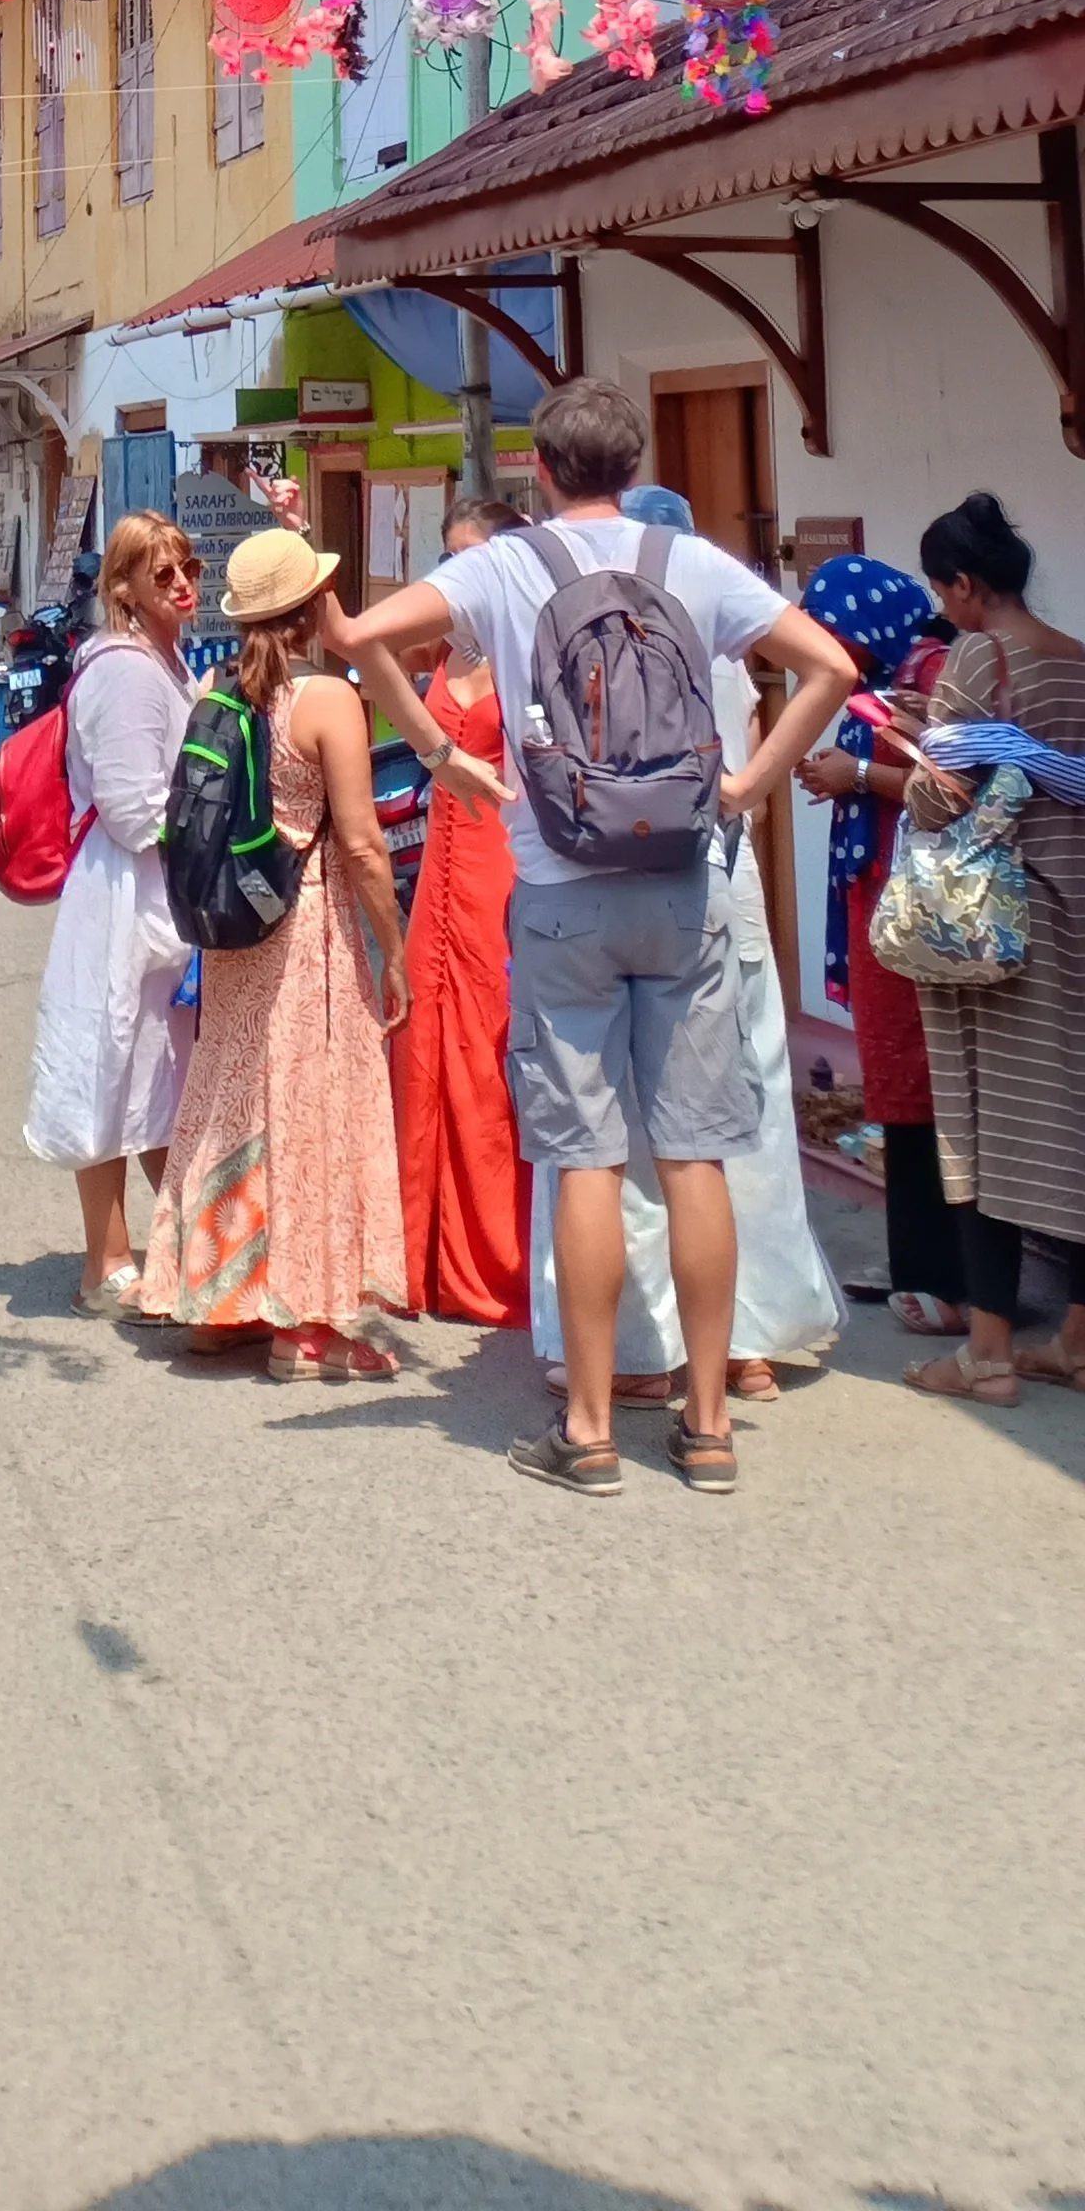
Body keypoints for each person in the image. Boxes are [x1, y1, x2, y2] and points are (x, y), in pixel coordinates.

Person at [344, 378, 856, 1496]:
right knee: (693, 1152)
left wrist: (439, 751)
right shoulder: (693, 564)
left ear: (539, 467)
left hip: (559, 886)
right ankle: (709, 1425)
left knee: (582, 1157)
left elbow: (358, 633)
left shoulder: (505, 566)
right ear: (632, 465)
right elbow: (832, 669)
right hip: (682, 881)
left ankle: (586, 1428)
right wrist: (749, 786)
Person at [523, 482, 844, 1408]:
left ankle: (635, 1349)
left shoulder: (586, 637)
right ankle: (749, 1342)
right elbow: (805, 696)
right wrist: (744, 794)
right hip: (720, 873)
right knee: (740, 1116)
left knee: (614, 1122)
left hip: (611, 883)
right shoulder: (721, 640)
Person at [139, 526, 462, 1380]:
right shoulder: (328, 701)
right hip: (309, 928)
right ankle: (305, 1324)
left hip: (240, 938)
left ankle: (219, 1297)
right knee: (316, 1112)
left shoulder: (222, 690)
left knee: (236, 1099)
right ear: (312, 607)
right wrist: (391, 947)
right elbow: (359, 844)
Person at [900, 493, 1085, 1405]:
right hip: (1078, 919)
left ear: (966, 585)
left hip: (1002, 935)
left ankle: (990, 1355)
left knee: (985, 1133)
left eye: (944, 590)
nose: (946, 607)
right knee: (1075, 1128)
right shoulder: (1079, 660)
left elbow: (941, 796)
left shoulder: (979, 656)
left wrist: (901, 747)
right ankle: (1078, 1345)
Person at [24, 510, 202, 1308]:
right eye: (162, 575)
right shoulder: (128, 671)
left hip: (160, 893)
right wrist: (214, 816)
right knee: (112, 1067)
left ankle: (171, 1248)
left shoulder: (166, 660)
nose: (183, 585)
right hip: (128, 893)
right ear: (124, 589)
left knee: (158, 1076)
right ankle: (108, 1260)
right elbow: (135, 812)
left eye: (188, 568)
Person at [793, 554, 966, 1334]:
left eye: (833, 632)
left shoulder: (930, 676)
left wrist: (856, 772)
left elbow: (956, 788)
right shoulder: (880, 681)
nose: (825, 648)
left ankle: (947, 1279)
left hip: (920, 910)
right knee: (895, 1077)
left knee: (923, 1081)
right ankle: (913, 1268)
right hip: (886, 902)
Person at [385, 521, 530, 1329]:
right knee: (424, 1048)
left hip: (499, 865)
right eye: (451, 552)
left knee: (490, 1050)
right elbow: (368, 651)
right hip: (440, 859)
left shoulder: (529, 645)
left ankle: (500, 1256)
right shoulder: (450, 645)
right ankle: (423, 1254)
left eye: (472, 552)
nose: (459, 567)